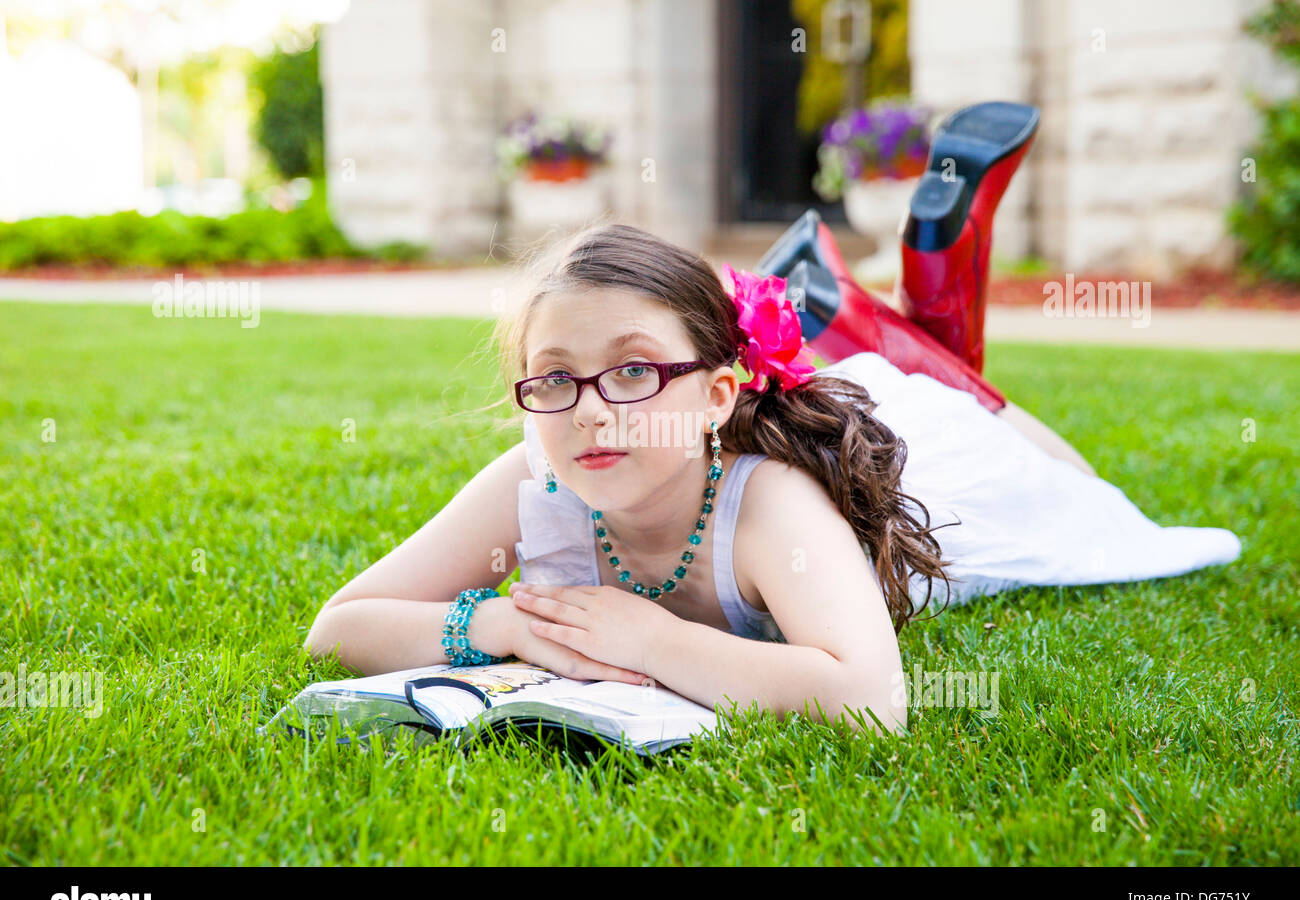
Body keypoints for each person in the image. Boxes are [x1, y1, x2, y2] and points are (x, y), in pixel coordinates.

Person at [304, 103, 1241, 738]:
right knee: (898, 380)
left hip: (932, 466)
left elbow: (870, 699)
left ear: (716, 396)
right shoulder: (536, 479)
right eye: (555, 379)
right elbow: (338, 629)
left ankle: (886, 326)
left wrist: (653, 642)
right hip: (814, 407)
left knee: (1051, 472)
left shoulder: (771, 507)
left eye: (634, 370)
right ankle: (848, 313)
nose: (592, 411)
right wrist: (499, 624)